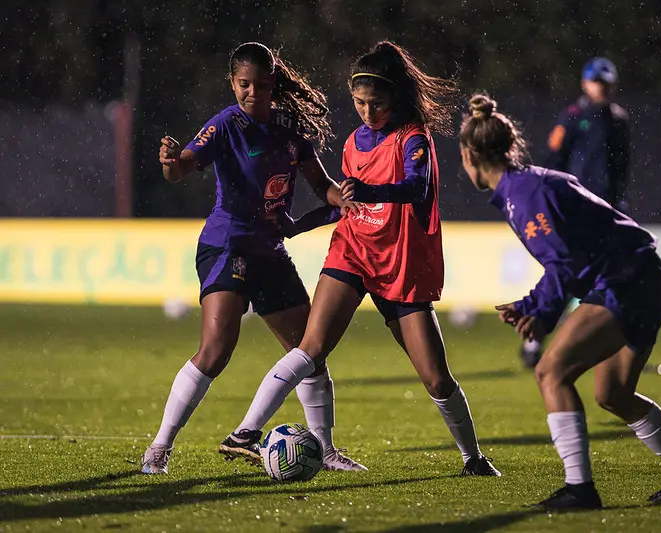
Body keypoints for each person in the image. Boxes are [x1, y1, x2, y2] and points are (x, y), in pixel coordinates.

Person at [220, 41, 501, 477]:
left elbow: (417, 189)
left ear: (395, 97)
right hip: (353, 250)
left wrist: (371, 191)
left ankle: (473, 459)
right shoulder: (354, 142)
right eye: (359, 102)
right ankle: (245, 433)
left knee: (435, 377)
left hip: (400, 263)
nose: (367, 112)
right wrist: (302, 224)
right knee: (311, 347)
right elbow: (347, 205)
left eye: (377, 103)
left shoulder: (412, 138)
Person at [459, 94, 661, 509]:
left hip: (626, 282)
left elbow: (564, 264)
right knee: (613, 393)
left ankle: (579, 489)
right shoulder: (526, 186)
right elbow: (568, 258)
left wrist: (542, 315)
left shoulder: (524, 195)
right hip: (643, 277)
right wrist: (531, 304)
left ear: (469, 155)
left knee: (551, 372)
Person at [141, 42, 365, 474]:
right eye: (244, 84)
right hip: (228, 245)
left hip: (269, 251)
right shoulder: (226, 124)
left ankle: (326, 451)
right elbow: (180, 168)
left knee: (310, 352)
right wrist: (168, 161)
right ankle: (160, 446)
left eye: (261, 85)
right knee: (216, 350)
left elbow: (322, 185)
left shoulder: (289, 128)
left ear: (273, 84)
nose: (252, 92)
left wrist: (344, 197)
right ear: (232, 83)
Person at [519, 58, 631, 368]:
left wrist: (620, 205)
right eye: (597, 82)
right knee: (567, 278)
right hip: (576, 211)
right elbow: (554, 161)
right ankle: (535, 338)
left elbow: (621, 169)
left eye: (606, 83)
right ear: (585, 83)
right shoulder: (572, 117)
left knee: (607, 280)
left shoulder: (619, 120)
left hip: (607, 213)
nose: (601, 88)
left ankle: (618, 351)